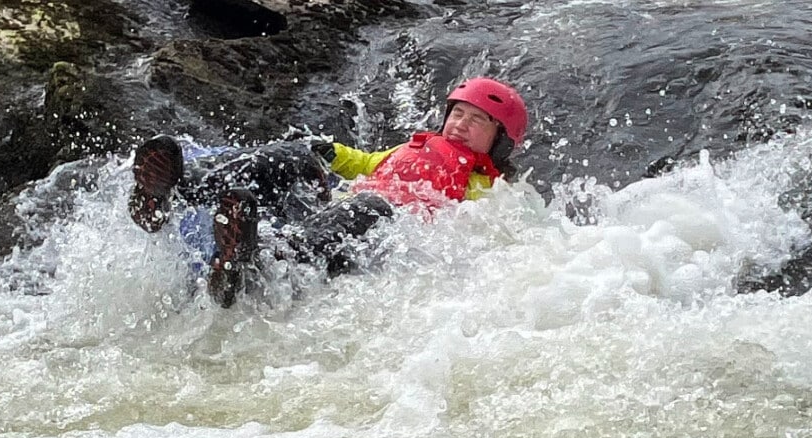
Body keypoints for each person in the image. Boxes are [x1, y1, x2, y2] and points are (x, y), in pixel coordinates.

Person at [128, 77, 528, 307]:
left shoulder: (487, 187)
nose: (461, 123)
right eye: (457, 113)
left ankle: (258, 265)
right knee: (294, 155)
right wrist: (327, 152)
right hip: (338, 213)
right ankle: (175, 190)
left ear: (499, 142)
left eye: (477, 120)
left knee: (370, 204)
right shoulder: (415, 147)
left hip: (378, 237)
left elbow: (485, 235)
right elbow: (365, 163)